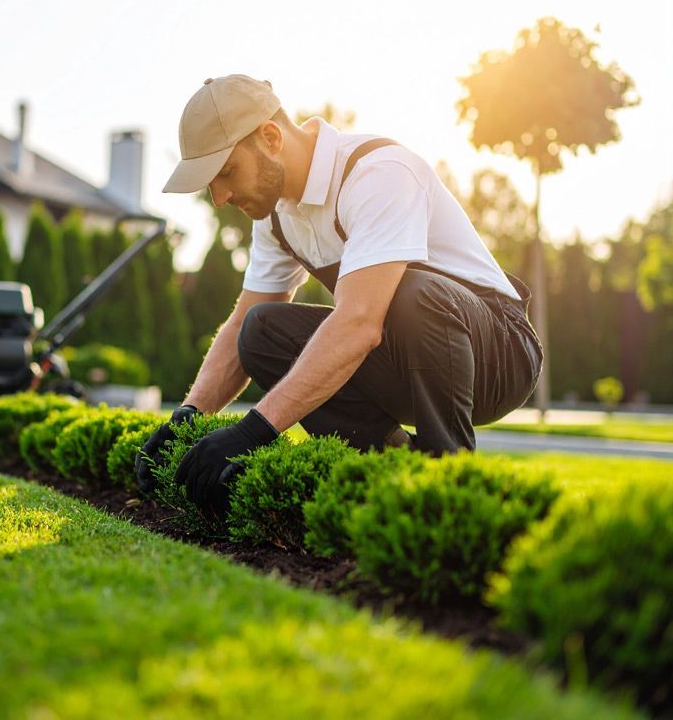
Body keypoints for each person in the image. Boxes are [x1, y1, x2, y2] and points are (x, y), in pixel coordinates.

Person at [135, 74, 544, 520]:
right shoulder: (274, 219)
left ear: (270, 137)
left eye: (226, 173)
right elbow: (239, 326)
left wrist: (252, 431)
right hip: (404, 356)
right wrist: (188, 417)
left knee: (410, 292)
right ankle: (391, 465)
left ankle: (447, 480)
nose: (219, 197)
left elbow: (360, 323)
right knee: (259, 331)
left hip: (499, 354)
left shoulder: (378, 174)